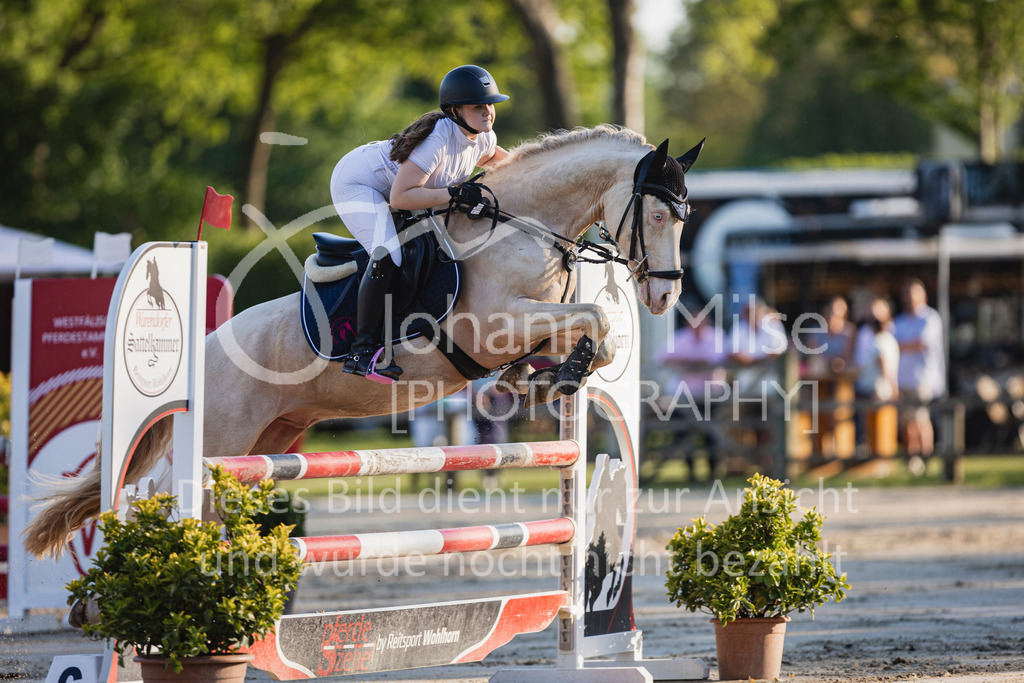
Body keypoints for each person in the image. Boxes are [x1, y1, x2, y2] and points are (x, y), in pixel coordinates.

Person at [330, 65, 510, 381]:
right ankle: (361, 350)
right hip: (358, 183)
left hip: (395, 188)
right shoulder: (439, 139)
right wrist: (455, 193)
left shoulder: (483, 138)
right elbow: (401, 198)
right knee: (388, 253)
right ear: (455, 110)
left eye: (490, 104)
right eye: (478, 106)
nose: (487, 112)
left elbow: (512, 166)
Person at [892, 279, 946, 470]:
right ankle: (912, 459)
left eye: (912, 293)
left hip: (923, 379)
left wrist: (897, 346)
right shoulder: (899, 320)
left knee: (922, 420)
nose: (908, 297)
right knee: (908, 422)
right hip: (902, 380)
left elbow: (921, 343)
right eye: (906, 293)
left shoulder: (930, 317)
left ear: (922, 295)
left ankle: (927, 457)